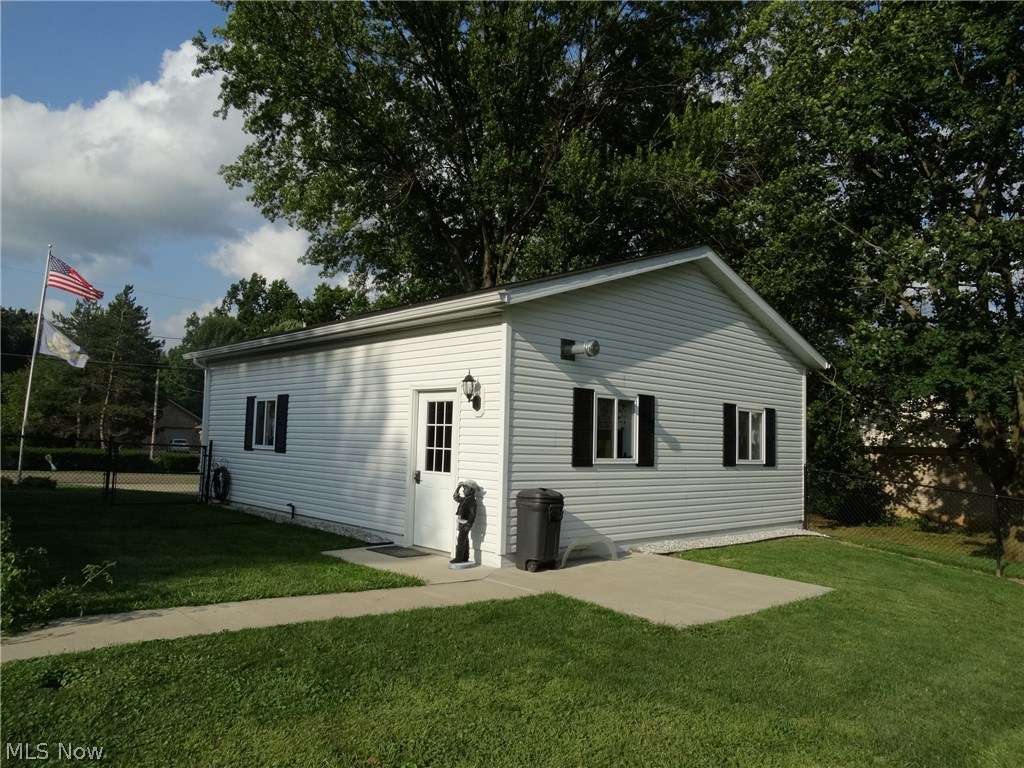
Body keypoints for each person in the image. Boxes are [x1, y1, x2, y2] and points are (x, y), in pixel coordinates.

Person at [451, 482, 477, 565]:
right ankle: (465, 557)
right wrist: (458, 487)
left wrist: (469, 525)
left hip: (465, 523)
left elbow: (472, 515)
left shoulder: (472, 501)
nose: (463, 491)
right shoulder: (465, 499)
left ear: (471, 491)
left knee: (461, 540)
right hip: (461, 522)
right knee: (465, 539)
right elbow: (455, 497)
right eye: (463, 489)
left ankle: (459, 558)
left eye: (465, 489)